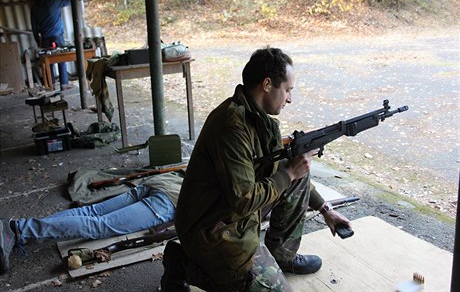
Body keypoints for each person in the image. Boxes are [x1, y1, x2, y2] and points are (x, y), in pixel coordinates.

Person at [162, 47, 352, 292]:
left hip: (230, 215)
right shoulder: (231, 126)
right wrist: (289, 173)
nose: (290, 98)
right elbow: (243, 200)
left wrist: (325, 209)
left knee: (296, 173)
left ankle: (281, 255)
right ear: (267, 84)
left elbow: (286, 174)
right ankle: (184, 263)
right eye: (287, 90)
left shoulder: (259, 120)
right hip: (212, 231)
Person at [0, 172, 182, 275]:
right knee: (99, 225)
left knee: (90, 212)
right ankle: (19, 230)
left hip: (165, 182)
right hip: (171, 199)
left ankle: (17, 227)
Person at [30, 0, 89, 90]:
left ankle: (51, 85)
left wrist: (37, 40)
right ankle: (64, 84)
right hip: (57, 37)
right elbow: (70, 0)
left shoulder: (34, 7)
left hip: (45, 38)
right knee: (62, 59)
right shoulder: (54, 3)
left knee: (49, 62)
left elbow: (34, 26)